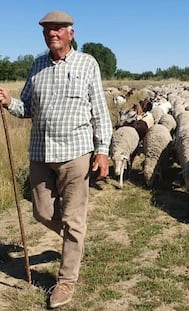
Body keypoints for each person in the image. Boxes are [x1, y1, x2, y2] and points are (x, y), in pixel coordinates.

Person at [0, 10, 113, 309]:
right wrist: (8, 101)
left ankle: (65, 281)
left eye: (58, 29)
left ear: (70, 34)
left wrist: (102, 151)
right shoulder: (37, 65)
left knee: (74, 219)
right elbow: (27, 108)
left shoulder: (87, 63)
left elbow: (99, 111)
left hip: (76, 153)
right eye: (48, 29)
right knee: (41, 211)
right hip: (40, 152)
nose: (52, 33)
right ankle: (74, 240)